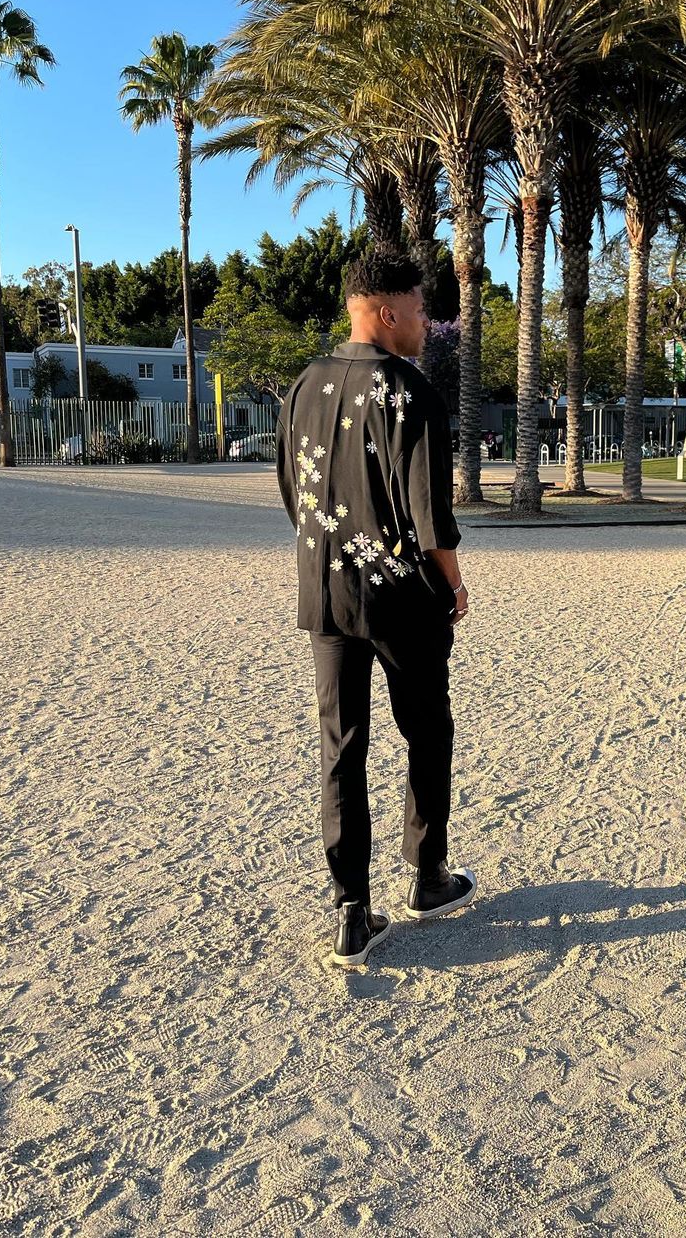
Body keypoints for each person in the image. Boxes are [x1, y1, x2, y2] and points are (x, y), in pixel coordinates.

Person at [276, 250, 476, 968]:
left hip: (327, 593)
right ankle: (428, 876)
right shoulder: (410, 393)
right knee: (426, 730)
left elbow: (292, 493)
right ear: (387, 312)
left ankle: (350, 910)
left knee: (342, 746)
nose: (427, 323)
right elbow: (431, 517)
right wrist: (453, 584)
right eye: (420, 310)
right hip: (401, 598)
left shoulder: (304, 386)